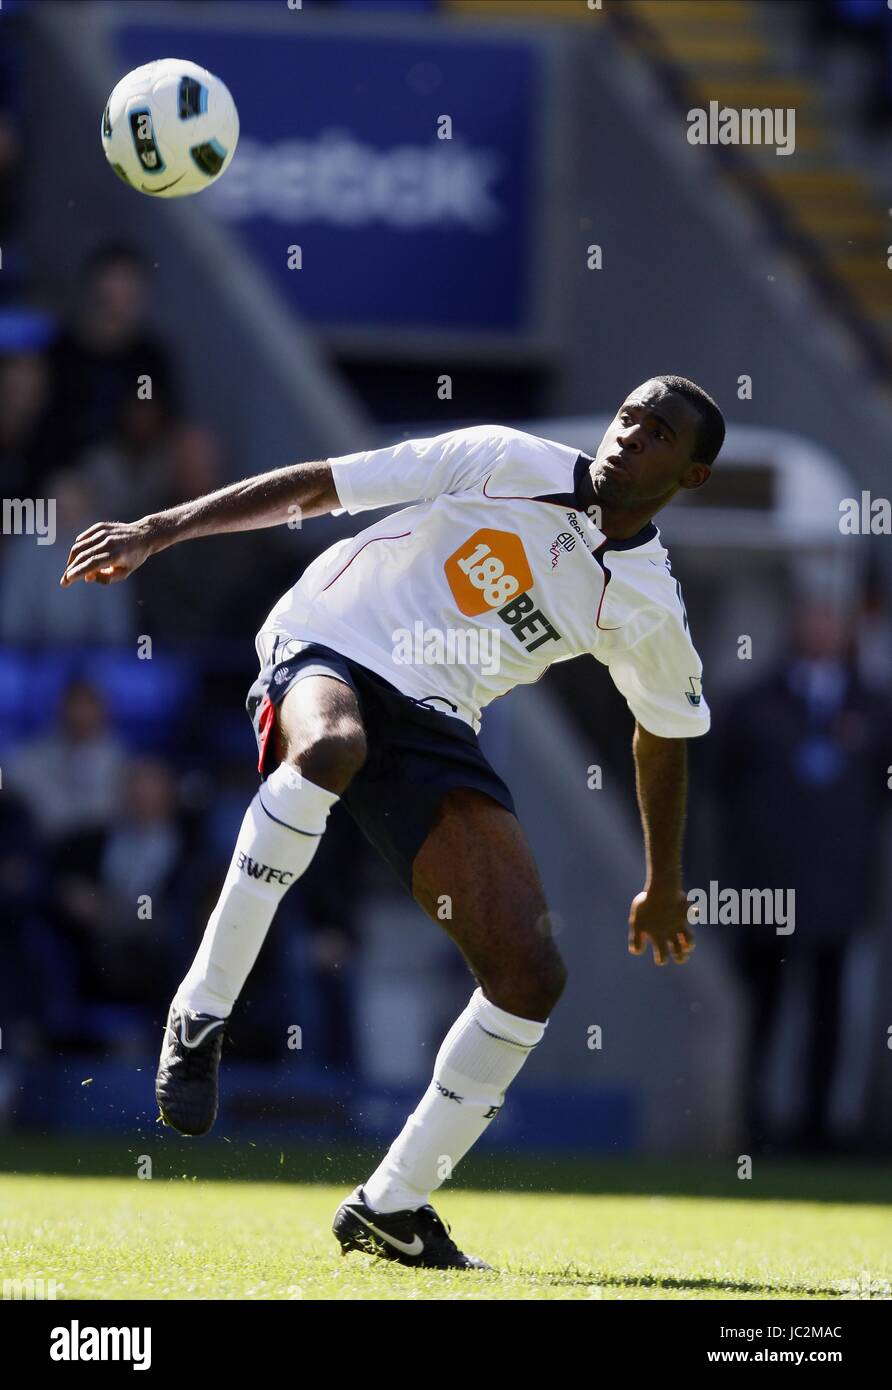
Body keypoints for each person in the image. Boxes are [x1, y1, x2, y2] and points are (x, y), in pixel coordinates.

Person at [60, 374, 724, 1269]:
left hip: (437, 717)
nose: (629, 437)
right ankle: (203, 1008)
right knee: (330, 749)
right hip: (329, 639)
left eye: (658, 435)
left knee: (530, 974)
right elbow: (318, 486)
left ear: (690, 477)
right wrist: (157, 530)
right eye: (627, 417)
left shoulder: (649, 604)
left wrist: (665, 882)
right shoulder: (506, 458)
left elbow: (663, 732)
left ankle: (392, 1208)